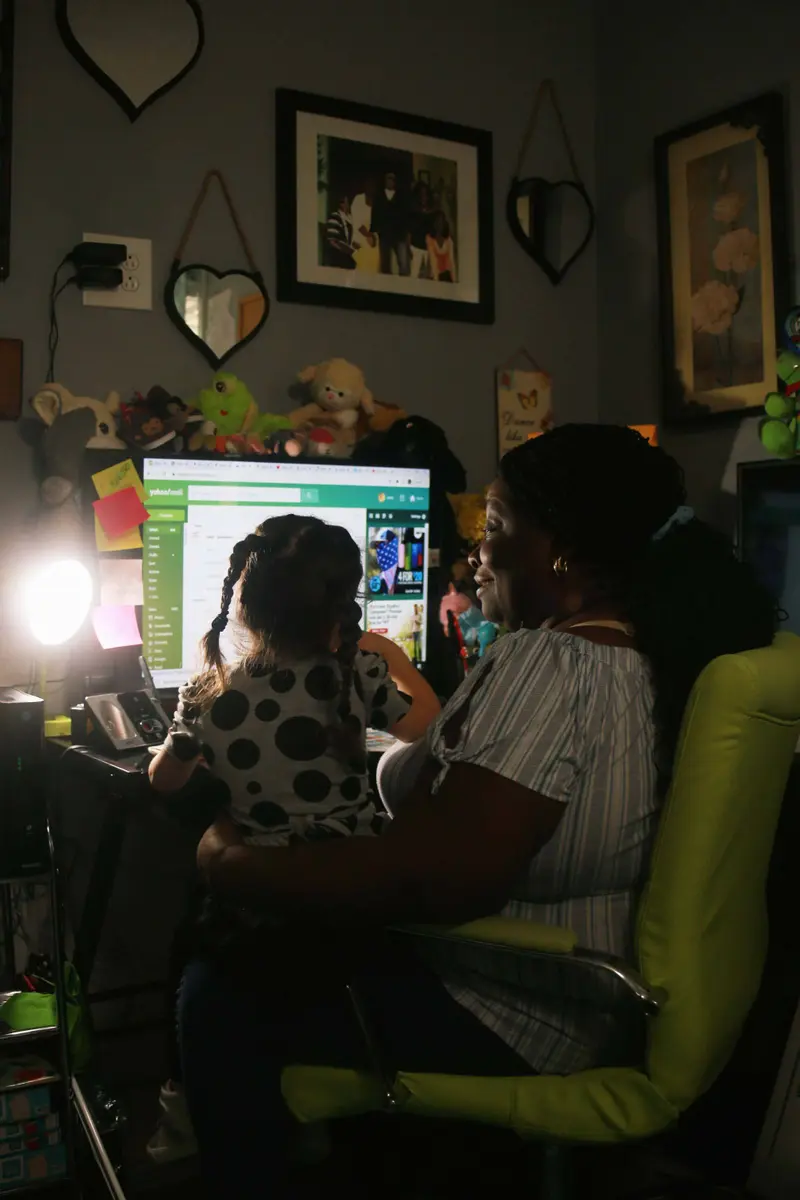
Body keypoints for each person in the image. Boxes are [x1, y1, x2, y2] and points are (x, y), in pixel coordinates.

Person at [179, 426, 778, 1196]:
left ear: (557, 548)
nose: (477, 555)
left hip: (515, 1006)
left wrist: (236, 866)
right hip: (594, 991)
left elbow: (441, 882)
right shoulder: (645, 652)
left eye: (494, 528)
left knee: (216, 989)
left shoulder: (553, 662)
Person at [148, 514, 440, 1162]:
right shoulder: (358, 674)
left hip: (260, 900)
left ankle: (193, 1112)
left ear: (244, 603)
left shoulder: (205, 689)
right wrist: (389, 658)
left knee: (200, 948)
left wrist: (180, 750)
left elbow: (165, 783)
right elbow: (431, 727)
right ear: (342, 605)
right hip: (356, 892)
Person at [371, 171, 410, 276]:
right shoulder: (379, 196)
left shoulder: (400, 196)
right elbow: (375, 214)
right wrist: (374, 231)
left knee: (403, 263)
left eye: (392, 179)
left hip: (399, 234)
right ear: (385, 180)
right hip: (384, 234)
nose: (390, 181)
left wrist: (405, 232)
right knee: (385, 264)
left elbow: (405, 215)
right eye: (388, 178)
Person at [350, 183, 380, 273]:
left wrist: (374, 237)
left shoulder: (378, 202)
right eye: (369, 186)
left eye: (373, 187)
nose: (371, 189)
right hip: (359, 239)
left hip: (374, 241)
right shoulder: (358, 200)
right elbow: (357, 221)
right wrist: (368, 235)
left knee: (374, 268)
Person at [408, 181, 435, 278]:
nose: (424, 197)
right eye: (421, 194)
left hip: (429, 248)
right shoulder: (414, 211)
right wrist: (409, 245)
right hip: (416, 247)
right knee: (414, 274)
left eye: (425, 194)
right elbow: (410, 230)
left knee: (430, 276)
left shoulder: (432, 212)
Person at [324, 195, 356, 270]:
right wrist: (348, 250)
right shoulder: (335, 217)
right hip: (337, 260)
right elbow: (332, 241)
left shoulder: (350, 219)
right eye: (347, 203)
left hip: (347, 261)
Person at [427, 211, 457, 282]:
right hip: (435, 274)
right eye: (437, 222)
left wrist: (454, 280)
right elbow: (433, 261)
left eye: (441, 222)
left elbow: (451, 261)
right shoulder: (430, 239)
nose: (439, 225)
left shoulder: (448, 240)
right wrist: (436, 280)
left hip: (446, 272)